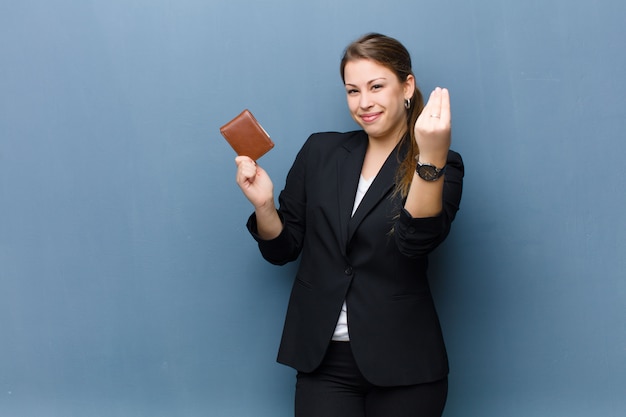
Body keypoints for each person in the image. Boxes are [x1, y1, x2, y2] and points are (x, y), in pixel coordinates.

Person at [234, 33, 464, 417]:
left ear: (407, 86)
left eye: (376, 86)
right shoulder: (320, 152)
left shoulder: (443, 164)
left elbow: (415, 241)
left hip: (405, 364)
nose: (364, 103)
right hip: (323, 361)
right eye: (352, 91)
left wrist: (431, 156)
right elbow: (283, 249)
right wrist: (264, 206)